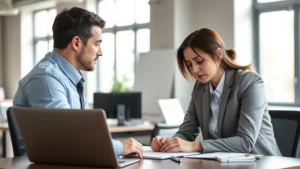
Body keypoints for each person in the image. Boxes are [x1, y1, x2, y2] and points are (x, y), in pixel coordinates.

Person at [13, 7, 143, 158]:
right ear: (76, 43)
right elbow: (68, 138)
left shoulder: (71, 79)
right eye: (97, 44)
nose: (100, 52)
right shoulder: (46, 78)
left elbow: (87, 135)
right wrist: (120, 147)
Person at [151, 28, 282, 156]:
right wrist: (167, 144)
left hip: (263, 163)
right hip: (223, 164)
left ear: (218, 55)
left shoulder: (249, 82)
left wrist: (195, 146)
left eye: (199, 61)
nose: (194, 70)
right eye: (189, 64)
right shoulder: (200, 88)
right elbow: (186, 132)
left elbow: (245, 142)